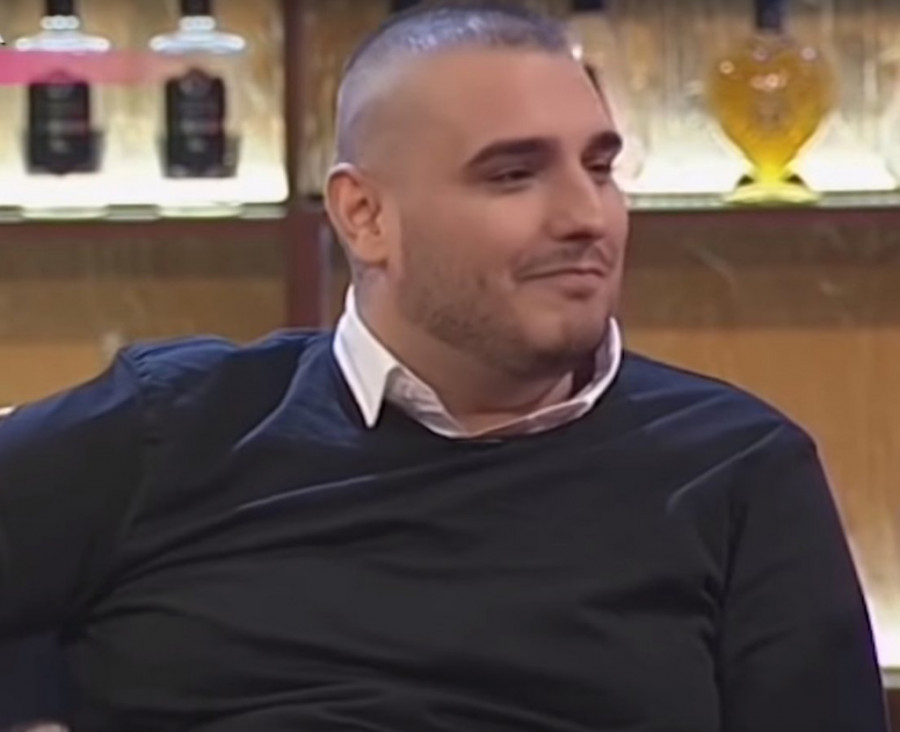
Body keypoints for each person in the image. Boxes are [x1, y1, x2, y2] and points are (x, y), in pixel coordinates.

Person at [0, 3, 888, 731]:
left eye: (600, 167)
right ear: (365, 216)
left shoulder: (737, 466)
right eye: (513, 175)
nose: (587, 216)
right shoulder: (171, 427)